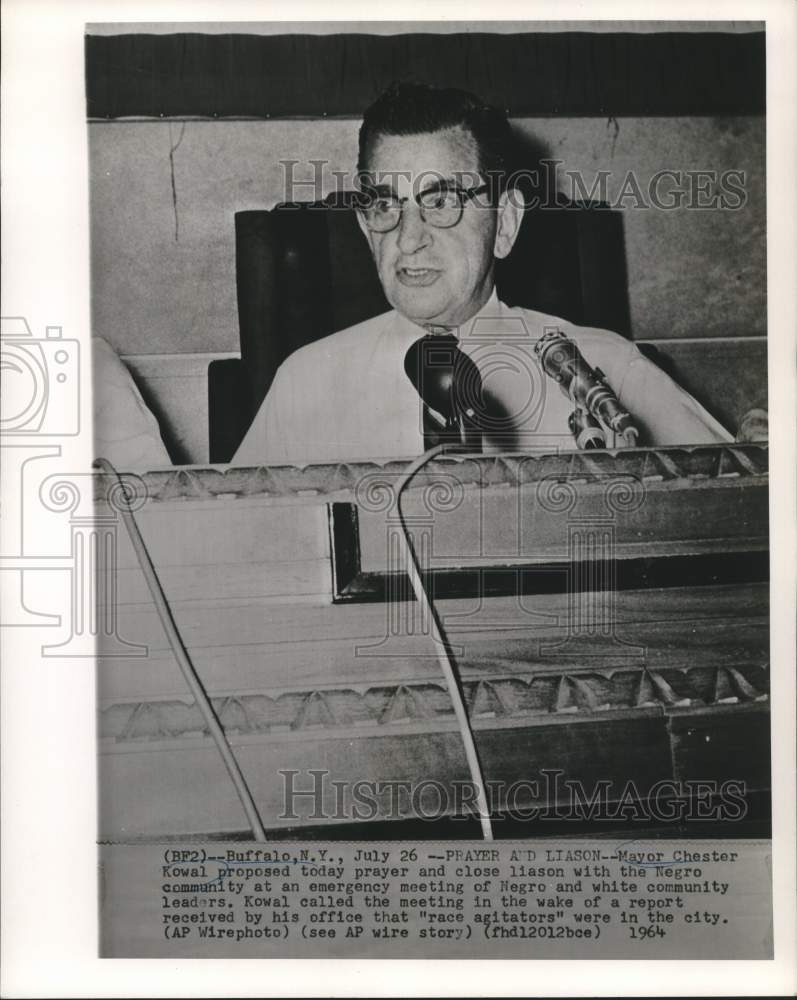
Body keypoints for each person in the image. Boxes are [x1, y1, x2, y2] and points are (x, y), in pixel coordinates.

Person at [234, 82, 731, 466]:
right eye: (386, 205)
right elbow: (228, 561)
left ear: (506, 222)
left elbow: (743, 516)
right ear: (366, 228)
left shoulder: (608, 374)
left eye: (443, 201)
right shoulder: (305, 383)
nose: (409, 239)